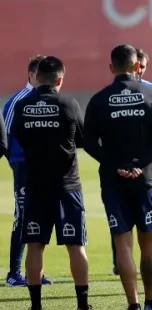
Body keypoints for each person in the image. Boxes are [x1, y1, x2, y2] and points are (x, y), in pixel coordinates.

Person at [84, 44, 152, 310]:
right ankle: (151, 302)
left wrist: (116, 164)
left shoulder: (99, 99)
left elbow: (88, 142)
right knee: (149, 244)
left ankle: (132, 304)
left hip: (113, 181)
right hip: (147, 181)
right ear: (136, 66)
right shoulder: (151, 94)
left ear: (111, 67)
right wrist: (140, 165)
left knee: (122, 244)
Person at [11, 56, 90, 310]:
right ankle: (82, 304)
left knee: (34, 246)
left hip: (35, 186)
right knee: (76, 246)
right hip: (67, 186)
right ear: (60, 79)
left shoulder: (23, 106)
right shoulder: (69, 104)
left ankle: (35, 306)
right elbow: (82, 139)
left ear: (37, 78)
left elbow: (20, 138)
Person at [110, 47, 152, 276]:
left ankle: (148, 264)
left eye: (143, 67)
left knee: (148, 226)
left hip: (147, 167)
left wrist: (142, 161)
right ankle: (120, 262)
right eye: (137, 66)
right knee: (121, 221)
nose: (139, 71)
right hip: (121, 168)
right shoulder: (115, 94)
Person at [2, 55, 52, 287]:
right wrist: (16, 164)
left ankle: (35, 271)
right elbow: (5, 137)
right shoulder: (17, 101)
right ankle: (13, 273)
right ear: (32, 74)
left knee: (40, 216)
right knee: (22, 217)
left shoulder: (48, 99)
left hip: (44, 167)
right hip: (23, 167)